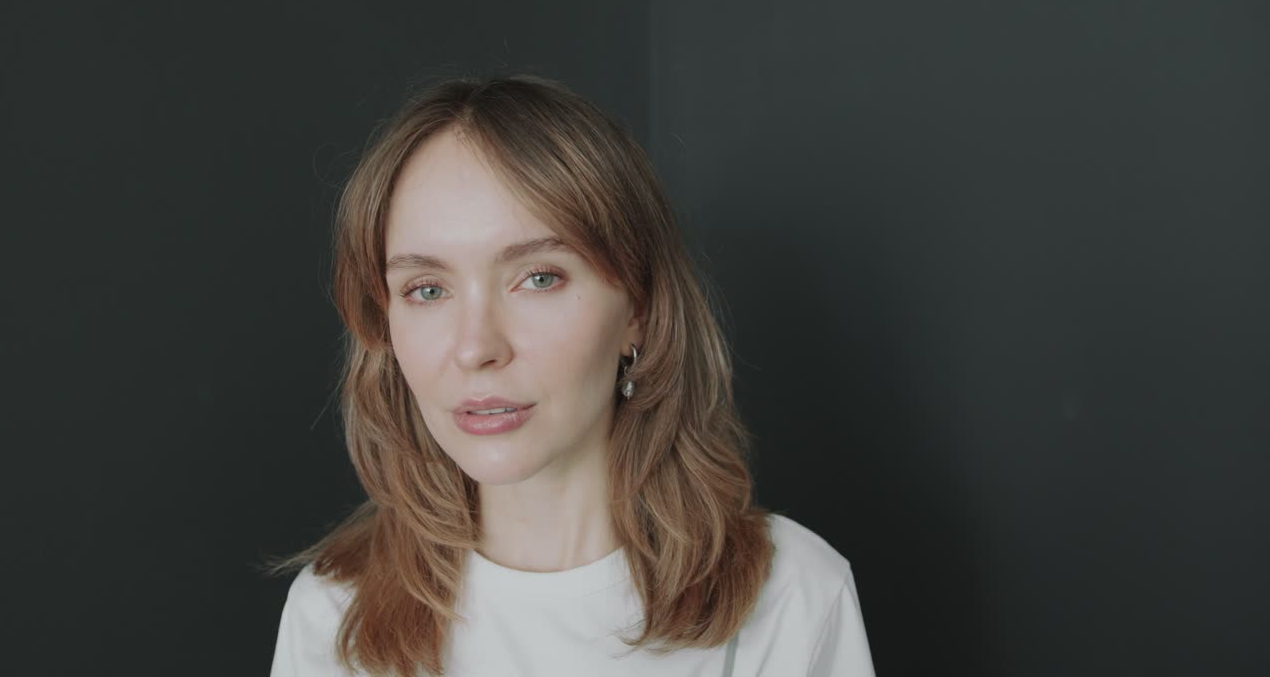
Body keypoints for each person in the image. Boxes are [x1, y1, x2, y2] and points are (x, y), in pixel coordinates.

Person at [266, 73, 875, 676]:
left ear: (637, 308)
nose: (476, 347)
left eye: (539, 277)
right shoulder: (333, 616)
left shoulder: (791, 597)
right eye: (427, 289)